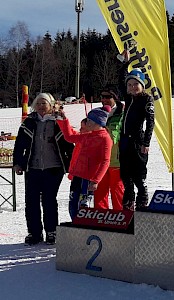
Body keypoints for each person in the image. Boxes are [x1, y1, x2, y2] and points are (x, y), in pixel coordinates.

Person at [13, 93, 74, 245]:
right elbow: (19, 145)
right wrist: (18, 163)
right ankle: (34, 233)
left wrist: (71, 164)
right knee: (31, 201)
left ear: (50, 105)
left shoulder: (57, 122)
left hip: (53, 167)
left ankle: (52, 231)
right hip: (32, 167)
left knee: (49, 200)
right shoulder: (28, 122)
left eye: (44, 103)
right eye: (38, 103)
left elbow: (68, 143)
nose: (41, 106)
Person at [56, 106, 113, 219]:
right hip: (78, 175)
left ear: (98, 123)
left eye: (90, 121)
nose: (87, 123)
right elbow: (70, 137)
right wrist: (63, 120)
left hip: (88, 178)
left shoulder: (105, 138)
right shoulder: (88, 135)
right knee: (73, 203)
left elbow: (105, 161)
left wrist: (96, 180)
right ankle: (75, 223)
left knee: (83, 205)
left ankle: (82, 225)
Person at [118, 52, 155, 210]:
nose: (133, 87)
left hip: (138, 140)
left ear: (142, 85)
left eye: (136, 84)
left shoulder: (146, 99)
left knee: (138, 172)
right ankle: (129, 196)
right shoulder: (128, 98)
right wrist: (125, 63)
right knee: (125, 172)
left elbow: (151, 122)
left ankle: (142, 195)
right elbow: (121, 79)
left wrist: (146, 142)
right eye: (130, 85)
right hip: (125, 140)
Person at [94, 85, 125, 210]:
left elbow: (117, 136)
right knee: (100, 194)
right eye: (102, 97)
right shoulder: (97, 113)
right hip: (100, 161)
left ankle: (124, 221)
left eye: (108, 97)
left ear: (115, 98)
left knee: (118, 193)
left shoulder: (123, 113)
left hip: (116, 160)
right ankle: (101, 223)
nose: (104, 100)